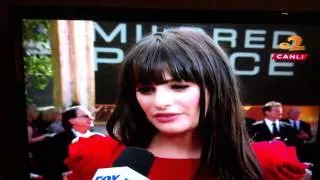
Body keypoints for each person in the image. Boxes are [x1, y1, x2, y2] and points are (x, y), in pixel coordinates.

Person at [64, 28, 309, 180]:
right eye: (145, 89)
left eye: (179, 86)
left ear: (216, 88)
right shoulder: (99, 159)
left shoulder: (266, 164)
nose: (160, 102)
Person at [42, 105, 105, 180]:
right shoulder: (55, 141)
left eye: (91, 115)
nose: (91, 118)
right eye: (86, 116)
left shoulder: (100, 138)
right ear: (71, 120)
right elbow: (50, 169)